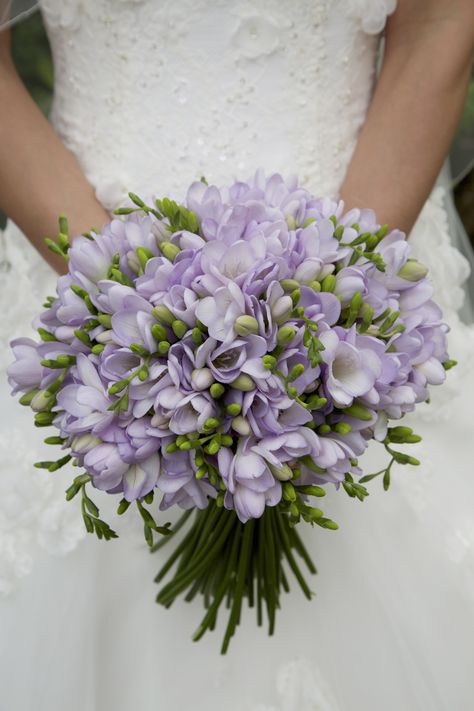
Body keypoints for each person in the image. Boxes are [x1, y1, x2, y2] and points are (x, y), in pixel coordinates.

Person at [0, 1, 474, 709]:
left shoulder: (341, 301)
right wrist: (123, 310)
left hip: (351, 269)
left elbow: (440, 25)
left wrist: (337, 308)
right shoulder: (106, 301)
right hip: (78, 277)